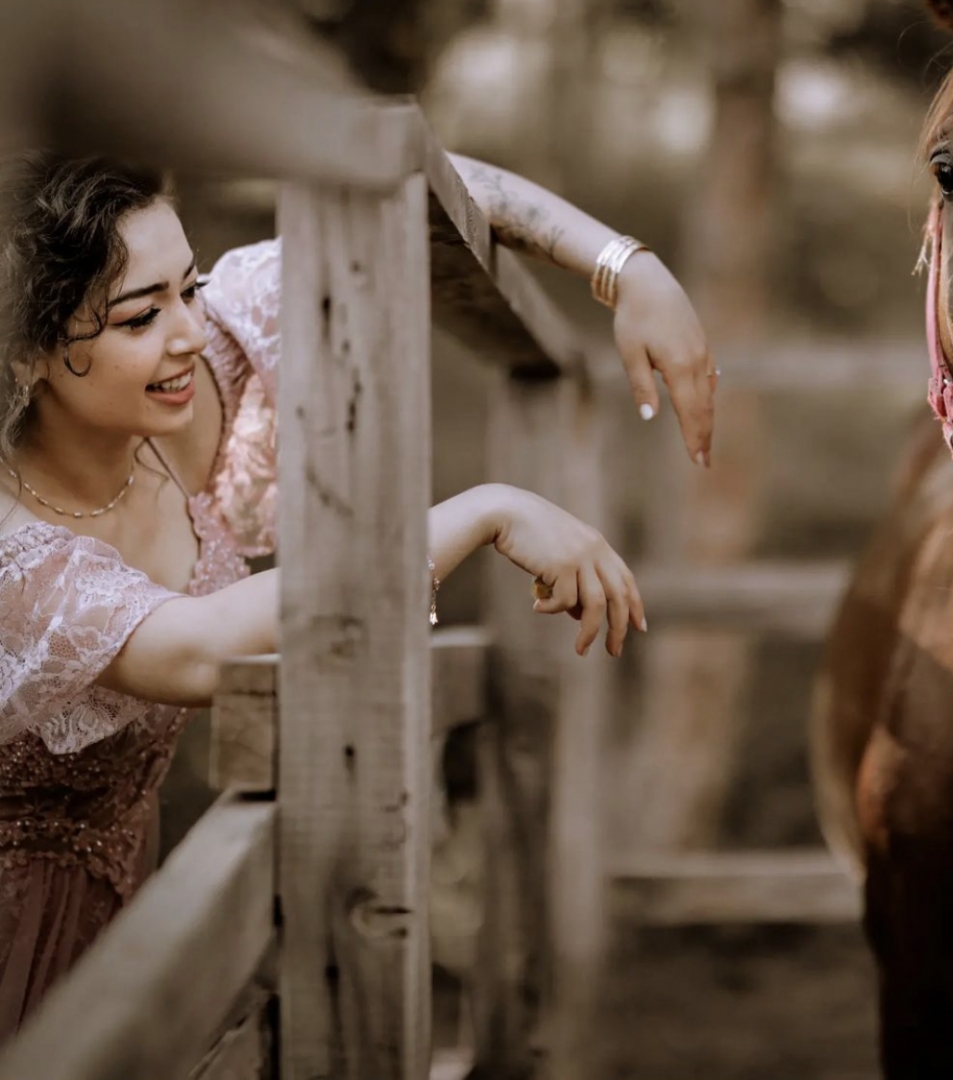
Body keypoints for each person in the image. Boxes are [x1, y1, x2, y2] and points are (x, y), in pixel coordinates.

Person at [0, 151, 714, 1038]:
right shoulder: (10, 552)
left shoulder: (204, 356)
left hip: (127, 901)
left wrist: (625, 268)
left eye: (187, 286)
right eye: (140, 316)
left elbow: (402, 184)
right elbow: (198, 647)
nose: (187, 329)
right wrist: (487, 509)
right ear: (27, 351)